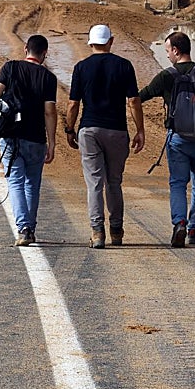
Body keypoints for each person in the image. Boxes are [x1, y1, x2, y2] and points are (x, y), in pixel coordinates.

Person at [138, 30, 195, 247]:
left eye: (168, 50)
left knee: (178, 183)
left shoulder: (166, 76)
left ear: (176, 51)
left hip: (177, 139)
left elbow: (139, 98)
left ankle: (179, 222)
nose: (167, 55)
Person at [65, 24, 146, 249]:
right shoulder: (124, 66)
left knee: (94, 184)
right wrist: (140, 130)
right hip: (117, 130)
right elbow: (133, 101)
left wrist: (69, 129)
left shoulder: (81, 68)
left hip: (89, 130)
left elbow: (73, 104)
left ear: (90, 43)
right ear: (110, 41)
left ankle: (97, 231)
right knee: (114, 182)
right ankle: (117, 230)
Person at [0, 34, 58, 246]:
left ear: (26, 48)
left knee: (15, 181)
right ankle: (31, 228)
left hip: (11, 136)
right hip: (36, 137)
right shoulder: (49, 78)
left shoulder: (10, 68)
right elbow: (49, 112)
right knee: (32, 183)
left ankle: (24, 228)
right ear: (44, 54)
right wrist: (52, 142)